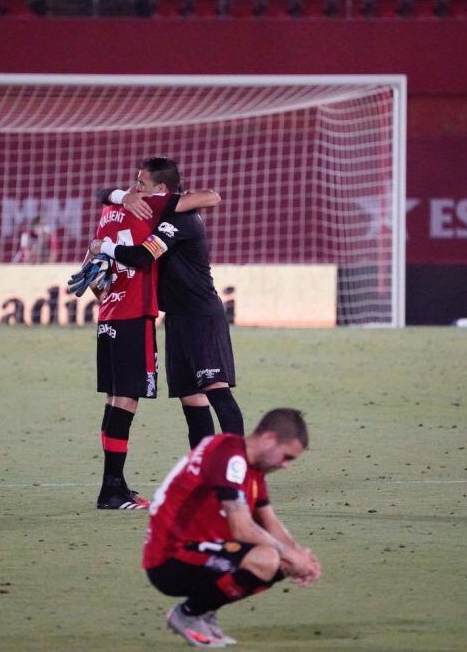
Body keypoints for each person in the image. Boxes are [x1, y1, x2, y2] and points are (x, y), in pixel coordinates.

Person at [79, 160, 220, 510]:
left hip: (109, 313)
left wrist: (115, 199)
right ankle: (112, 489)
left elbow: (93, 272)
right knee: (126, 400)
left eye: (140, 182)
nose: (134, 187)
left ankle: (114, 486)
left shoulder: (112, 209)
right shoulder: (152, 206)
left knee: (115, 399)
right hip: (134, 315)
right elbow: (210, 197)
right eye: (135, 183)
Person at [92, 159, 243, 452]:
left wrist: (103, 247)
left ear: (161, 189)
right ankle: (202, 471)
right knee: (192, 398)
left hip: (201, 316)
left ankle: (239, 470)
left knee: (216, 390)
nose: (135, 190)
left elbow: (141, 257)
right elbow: (102, 192)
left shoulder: (181, 220)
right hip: (176, 318)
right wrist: (120, 196)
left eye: (141, 184)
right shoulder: (162, 213)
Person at [143, 407, 321, 648]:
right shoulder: (229, 456)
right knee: (267, 559)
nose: (286, 465)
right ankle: (187, 614)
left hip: (200, 549)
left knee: (280, 561)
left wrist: (298, 554)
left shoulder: (252, 467)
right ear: (269, 439)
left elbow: (269, 521)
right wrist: (289, 554)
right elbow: (242, 528)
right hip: (170, 559)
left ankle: (202, 613)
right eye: (287, 456)